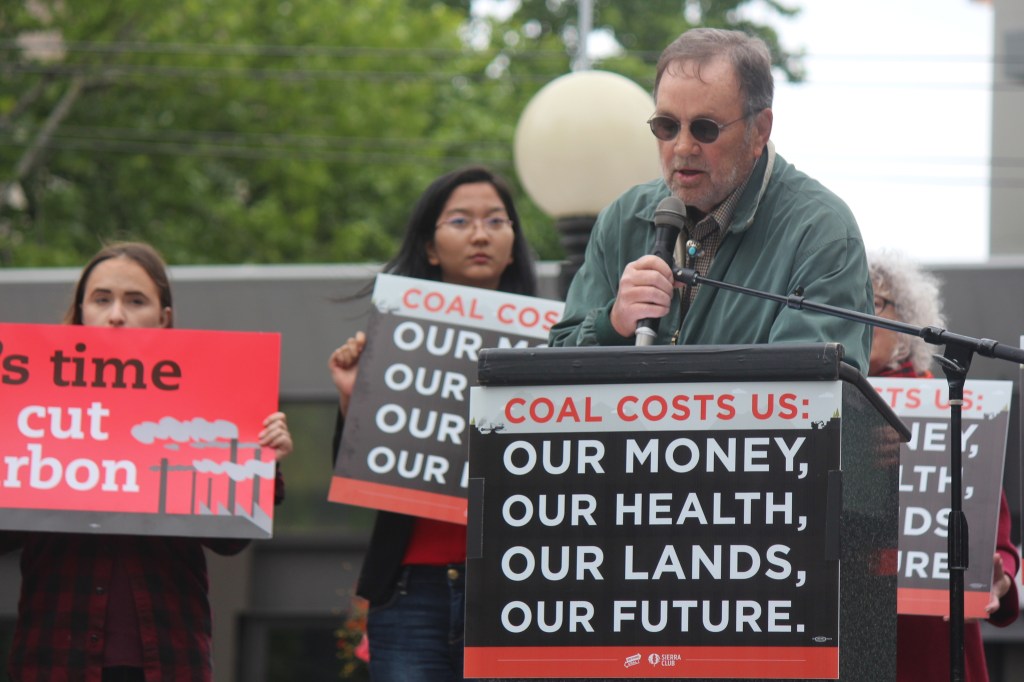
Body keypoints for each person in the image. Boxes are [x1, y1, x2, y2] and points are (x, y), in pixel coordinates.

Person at [0, 241, 292, 682]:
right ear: (80, 313)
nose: (116, 314)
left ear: (164, 318)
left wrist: (262, 459)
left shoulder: (206, 404)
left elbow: (230, 542)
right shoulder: (28, 407)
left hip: (169, 660)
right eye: (102, 299)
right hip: (56, 657)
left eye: (135, 301)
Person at [548, 28, 873, 372]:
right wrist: (612, 324)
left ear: (759, 130)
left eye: (705, 128)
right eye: (666, 125)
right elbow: (547, 377)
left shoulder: (821, 233)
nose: (683, 147)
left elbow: (808, 395)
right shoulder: (623, 218)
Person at [328, 165, 537, 682]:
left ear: (513, 243)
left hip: (513, 592)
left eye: (496, 220)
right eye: (461, 221)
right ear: (429, 246)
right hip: (409, 594)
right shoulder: (391, 350)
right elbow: (364, 477)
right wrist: (352, 400)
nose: (481, 234)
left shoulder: (555, 347)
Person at [867, 249, 1020, 682]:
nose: (862, 315)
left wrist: (1000, 579)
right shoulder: (823, 406)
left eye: (875, 302)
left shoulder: (947, 404)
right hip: (843, 633)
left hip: (928, 643)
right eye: (852, 301)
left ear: (909, 322)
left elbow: (1000, 544)